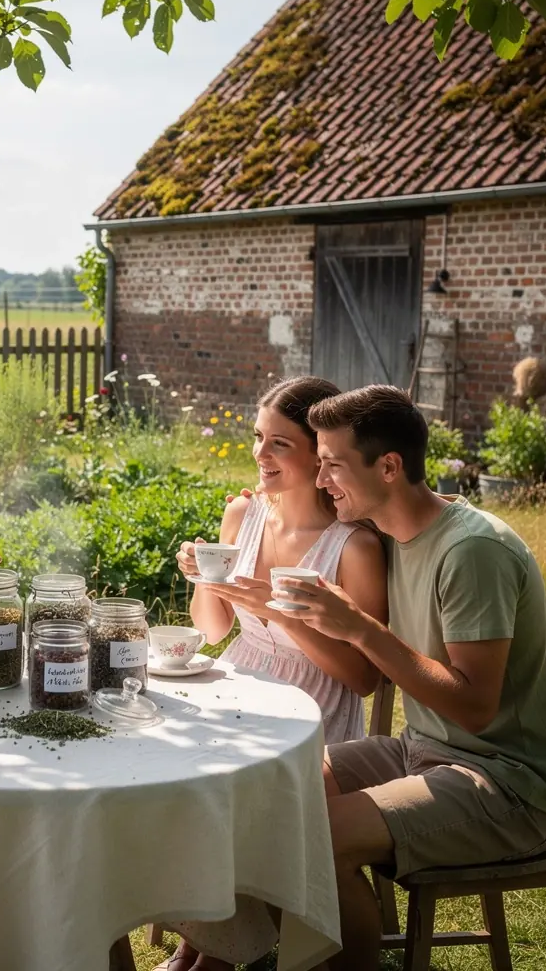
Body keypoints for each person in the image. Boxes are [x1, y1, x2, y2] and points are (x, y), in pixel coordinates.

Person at [279, 384, 546, 971]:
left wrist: (360, 628)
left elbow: (475, 708)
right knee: (277, 790)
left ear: (388, 466)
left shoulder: (474, 553)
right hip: (424, 750)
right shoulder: (400, 527)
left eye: (332, 464)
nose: (320, 479)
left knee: (308, 838)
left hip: (504, 783)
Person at [162, 376, 388, 971]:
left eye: (279, 444)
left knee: (232, 792)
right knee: (175, 770)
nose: (260, 455)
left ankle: (211, 957)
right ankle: (203, 943)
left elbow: (363, 678)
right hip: (239, 689)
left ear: (320, 455)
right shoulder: (242, 513)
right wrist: (204, 576)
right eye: (258, 438)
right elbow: (212, 631)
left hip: (315, 714)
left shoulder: (352, 547)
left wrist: (274, 611)